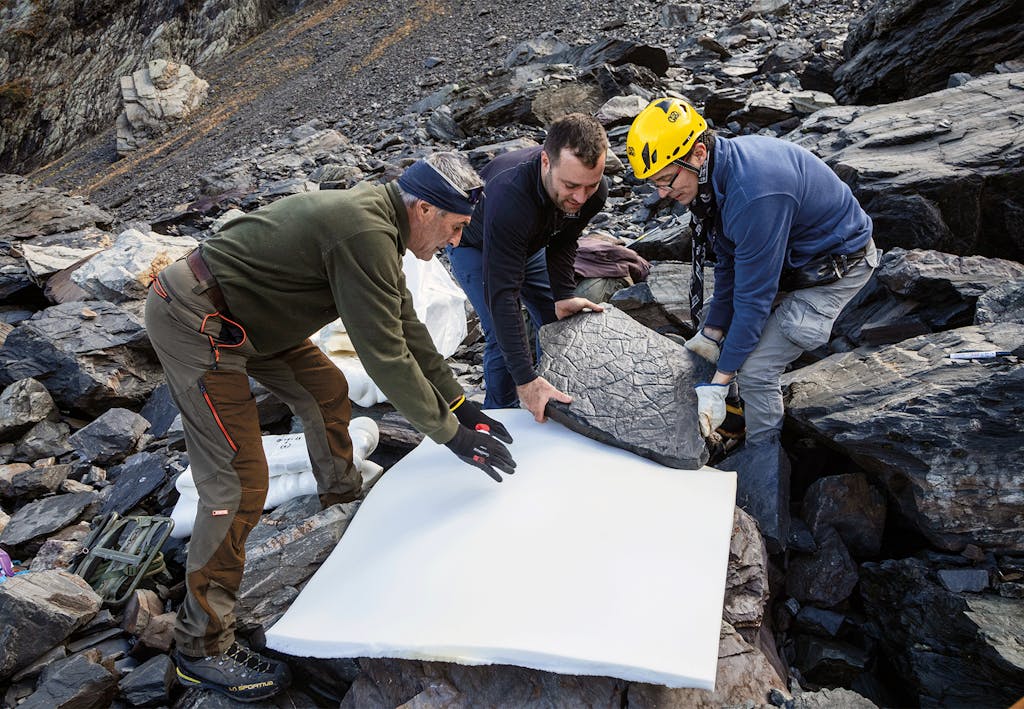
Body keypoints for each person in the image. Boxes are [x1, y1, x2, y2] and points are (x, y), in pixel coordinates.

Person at [144, 152, 516, 702]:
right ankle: (200, 648)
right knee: (239, 483)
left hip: (253, 319)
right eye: (455, 229)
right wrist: (450, 436)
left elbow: (407, 326)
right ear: (425, 209)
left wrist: (461, 404)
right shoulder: (363, 231)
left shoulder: (382, 227)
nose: (456, 243)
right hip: (198, 324)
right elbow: (386, 356)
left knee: (326, 390)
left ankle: (339, 497)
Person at [625, 97, 877, 446]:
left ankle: (761, 456)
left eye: (667, 180)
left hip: (836, 270)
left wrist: (721, 380)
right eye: (655, 184)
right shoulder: (717, 175)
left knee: (757, 369)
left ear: (698, 153)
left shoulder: (754, 195)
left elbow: (754, 299)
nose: (663, 194)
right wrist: (711, 334)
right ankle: (733, 417)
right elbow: (729, 263)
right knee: (717, 327)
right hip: (793, 260)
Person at [447, 113, 610, 421]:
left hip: (532, 241)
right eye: (571, 185)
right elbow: (503, 295)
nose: (580, 197)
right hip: (476, 246)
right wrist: (524, 379)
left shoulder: (592, 192)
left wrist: (563, 294)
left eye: (590, 186)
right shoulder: (509, 194)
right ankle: (500, 414)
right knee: (501, 330)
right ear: (546, 162)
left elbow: (564, 240)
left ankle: (558, 399)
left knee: (556, 320)